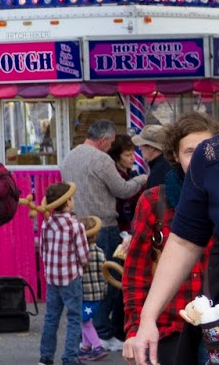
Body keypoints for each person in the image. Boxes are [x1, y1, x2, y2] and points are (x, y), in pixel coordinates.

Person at [122, 113, 218, 365]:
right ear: (175, 154)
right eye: (190, 152)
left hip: (211, 323)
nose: (199, 160)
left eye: (203, 151)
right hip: (172, 327)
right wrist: (138, 324)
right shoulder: (156, 201)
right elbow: (136, 272)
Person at [62, 119, 147, 254]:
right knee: (109, 272)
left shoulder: (68, 157)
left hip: (77, 226)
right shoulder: (102, 159)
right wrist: (141, 179)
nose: (111, 147)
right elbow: (122, 190)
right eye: (111, 142)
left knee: (87, 272)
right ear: (103, 141)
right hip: (103, 227)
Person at [38, 181, 88, 365]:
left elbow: (43, 251)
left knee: (51, 317)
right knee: (74, 317)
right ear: (67, 203)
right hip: (71, 277)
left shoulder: (46, 225)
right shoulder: (76, 226)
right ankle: (70, 357)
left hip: (52, 278)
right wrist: (83, 267)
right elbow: (83, 255)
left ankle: (46, 356)